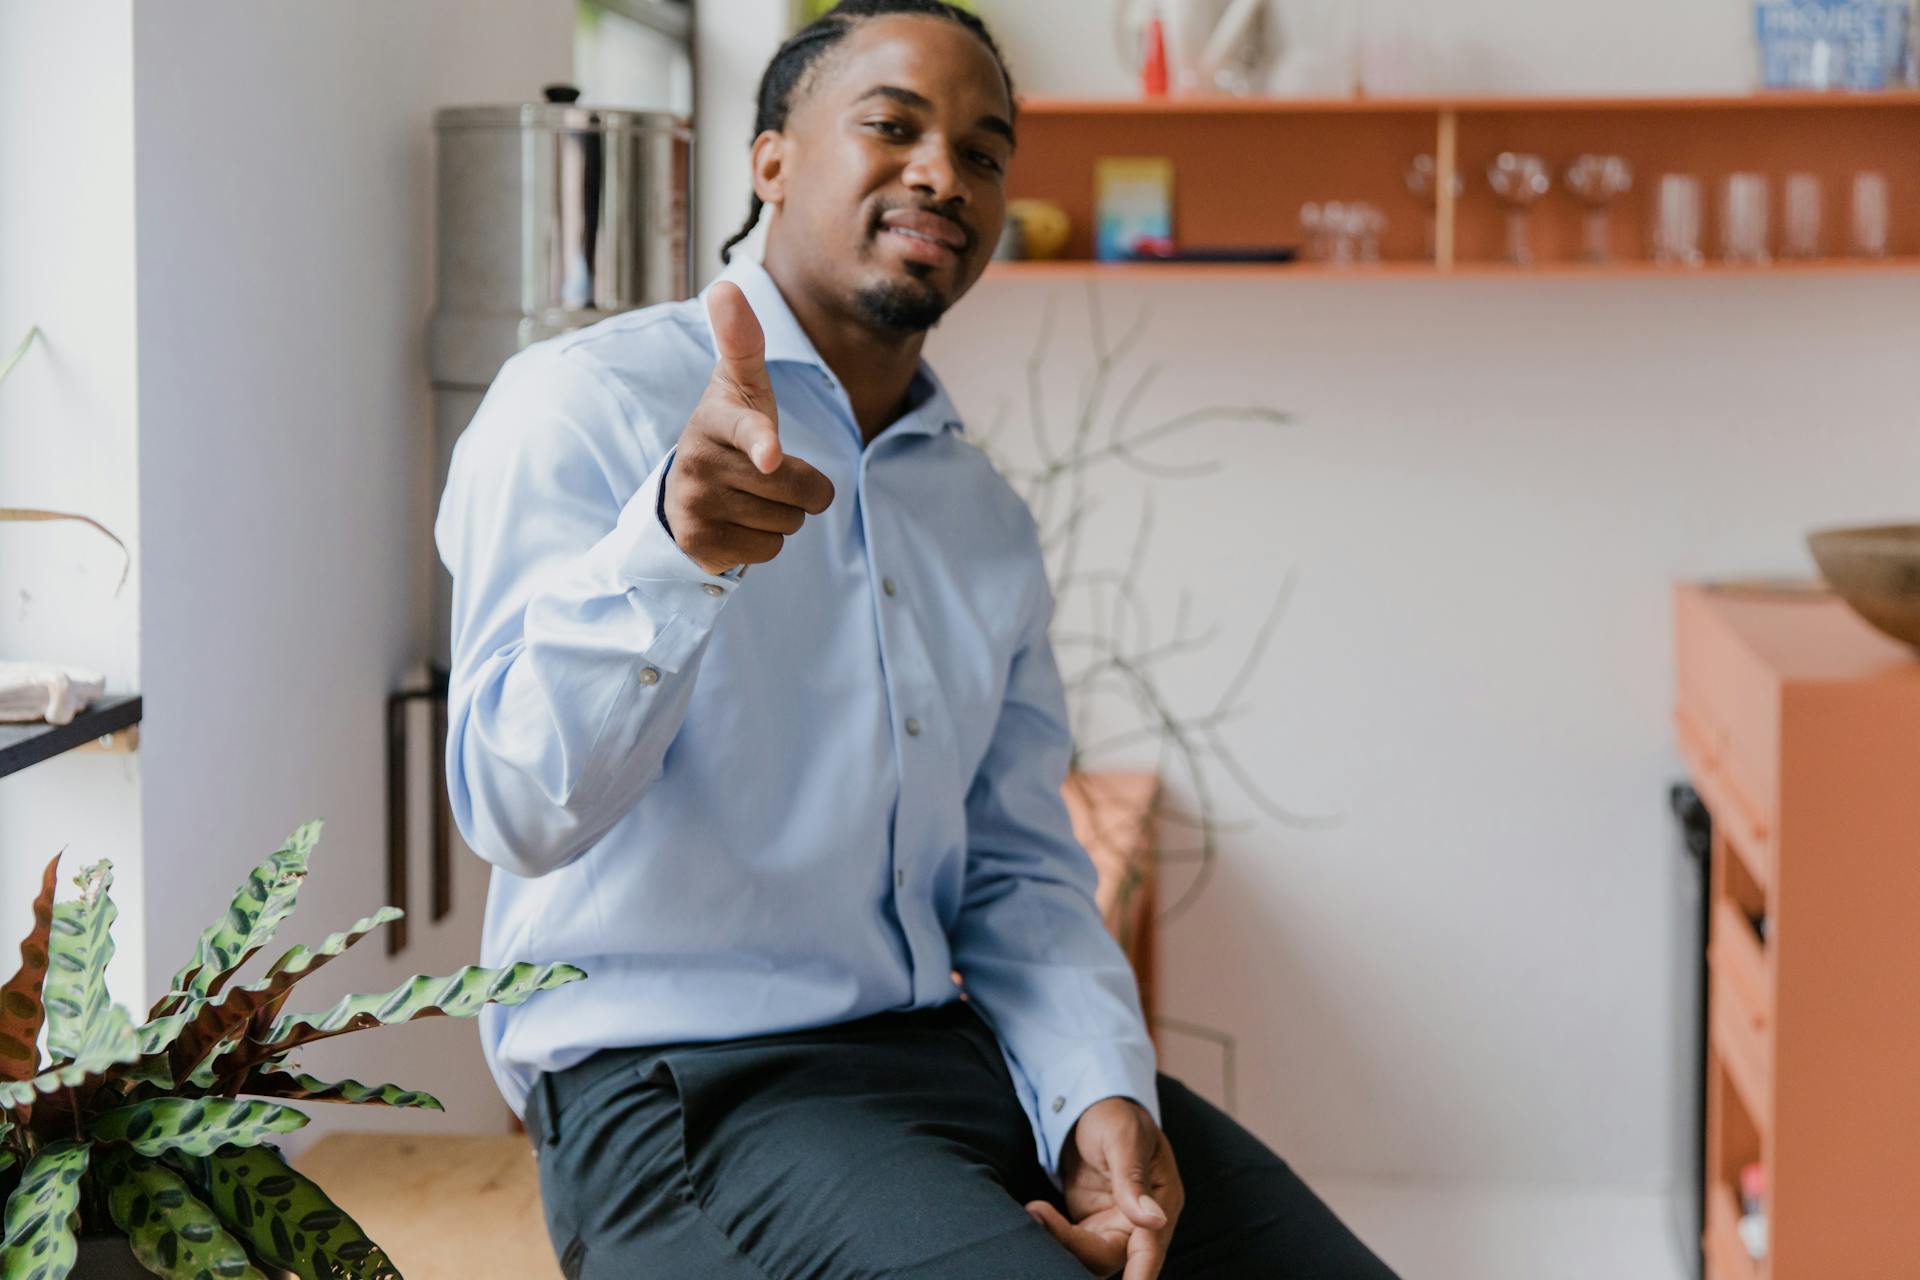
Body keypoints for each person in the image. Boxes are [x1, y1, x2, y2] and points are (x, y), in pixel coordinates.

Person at [434, 2, 1401, 1276]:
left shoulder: (981, 517)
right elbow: (514, 805)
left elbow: (1015, 867)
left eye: (986, 151)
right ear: (770, 157)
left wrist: (1097, 1091)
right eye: (893, 125)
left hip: (943, 1052)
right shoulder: (584, 407)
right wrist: (670, 552)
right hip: (678, 1085)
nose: (946, 172)